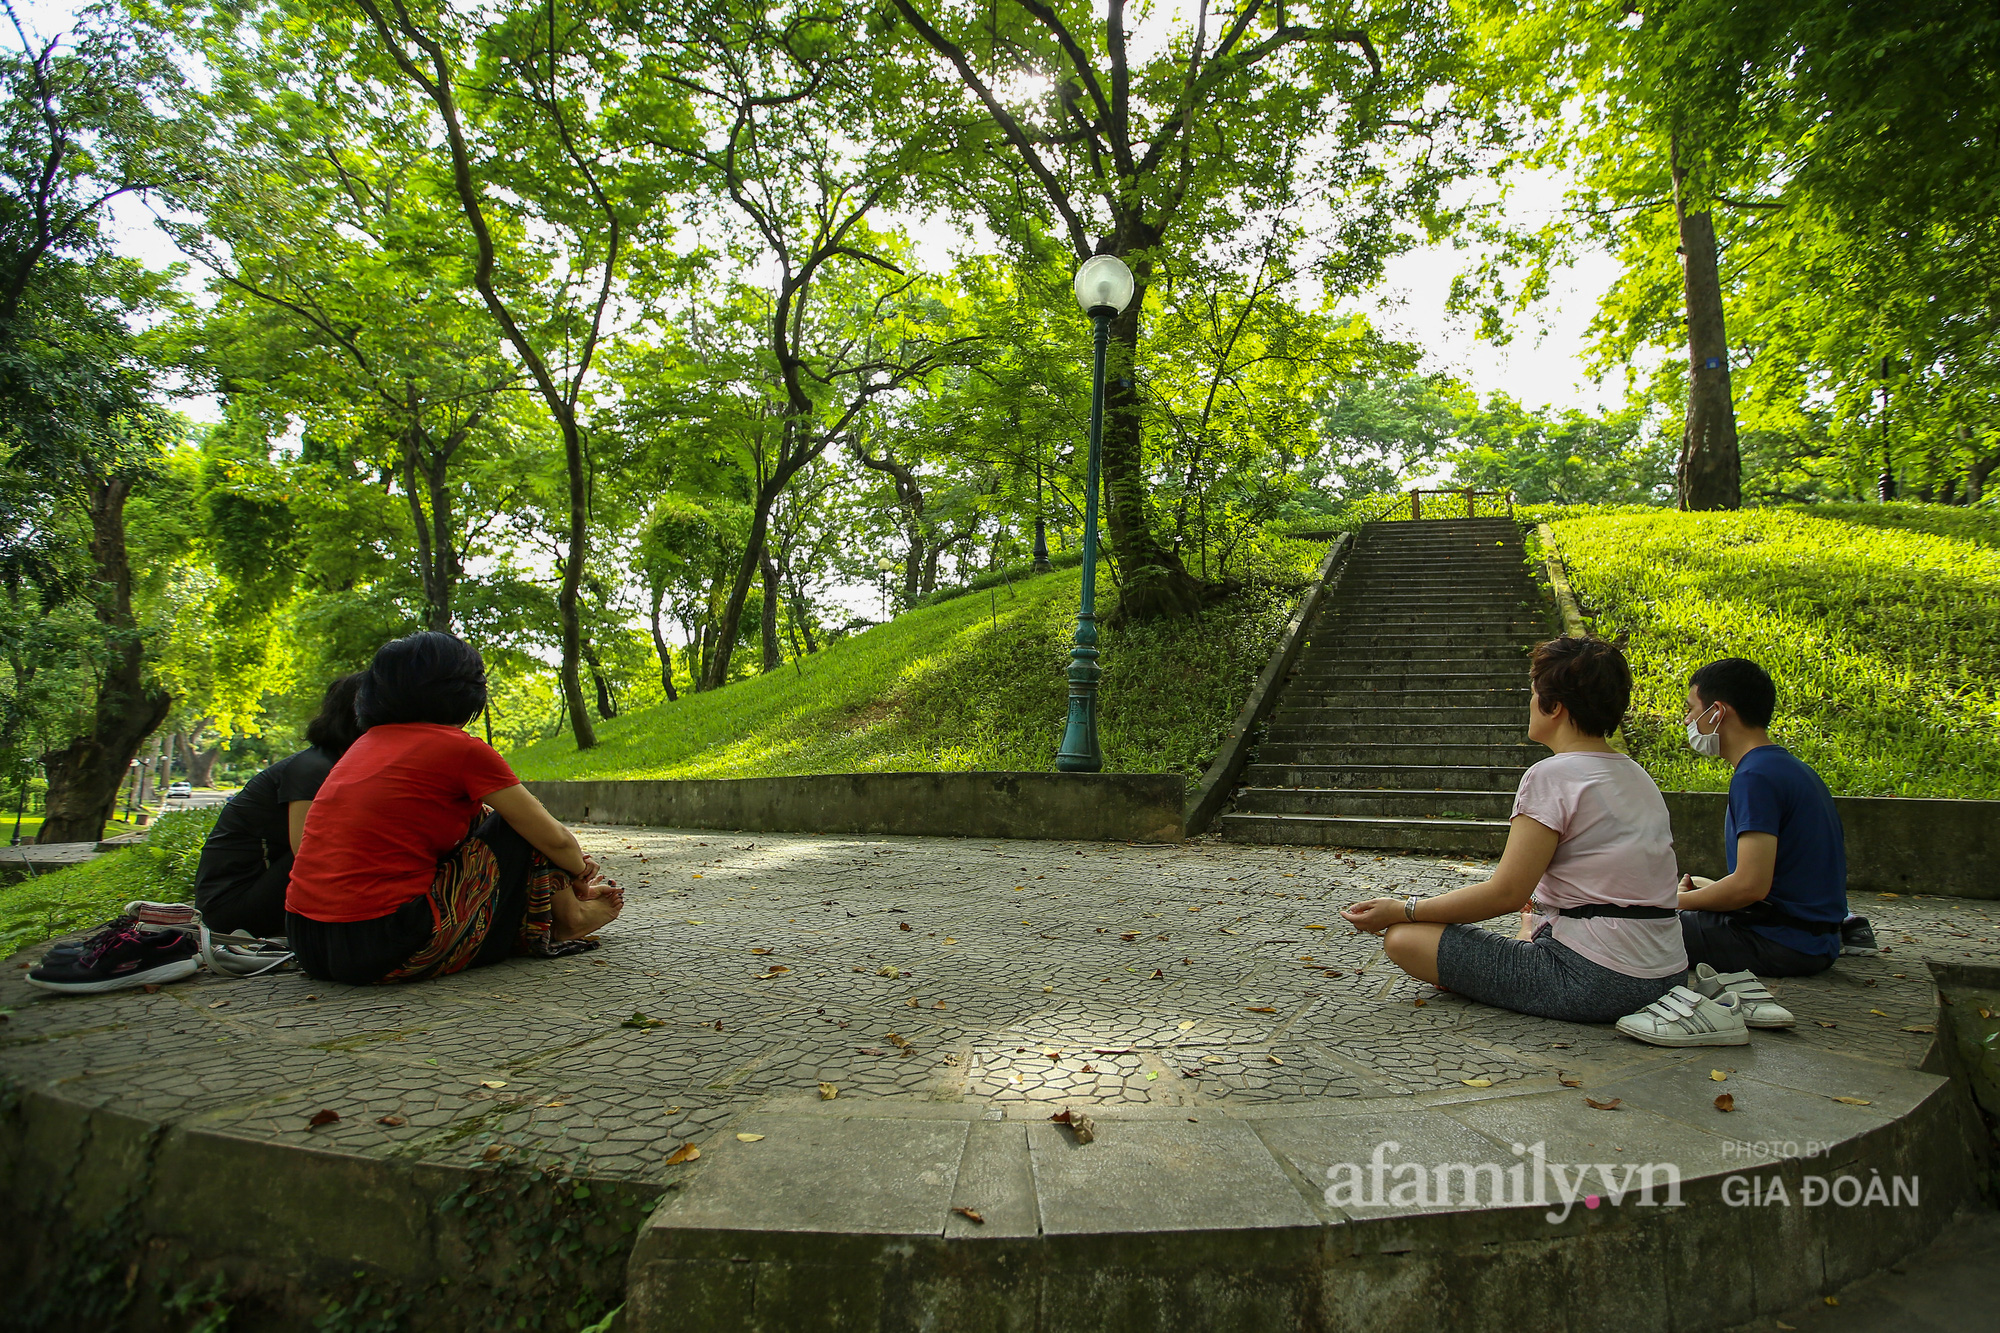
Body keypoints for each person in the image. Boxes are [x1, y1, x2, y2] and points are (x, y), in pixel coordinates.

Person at [1341, 637, 1695, 1026]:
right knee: (1514, 932)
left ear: (1554, 706)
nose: (1529, 704)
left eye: (1533, 694)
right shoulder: (1636, 774)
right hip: (1668, 974)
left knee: (1404, 939)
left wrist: (1403, 910)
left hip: (1596, 980)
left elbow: (1507, 893)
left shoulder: (1551, 775)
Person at [285, 631, 622, 985]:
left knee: (482, 813)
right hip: (384, 947)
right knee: (520, 822)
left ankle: (560, 911)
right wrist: (578, 873)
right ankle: (571, 918)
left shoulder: (362, 747)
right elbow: (555, 841)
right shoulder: (459, 749)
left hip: (309, 942)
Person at [1675, 657, 1849, 980]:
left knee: (1641, 926)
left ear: (1717, 712)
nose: (1687, 720)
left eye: (1691, 709)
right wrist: (1704, 893)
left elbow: (1750, 886)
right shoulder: (1790, 768)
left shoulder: (1755, 777)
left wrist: (1678, 901)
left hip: (1782, 944)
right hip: (1815, 940)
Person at [190, 673, 367, 937]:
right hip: (233, 908)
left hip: (260, 890)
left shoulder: (336, 764)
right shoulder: (313, 768)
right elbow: (308, 853)